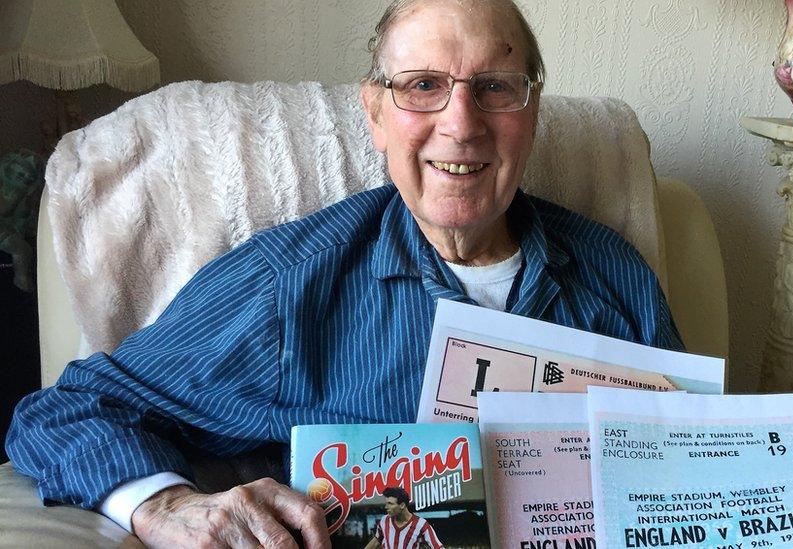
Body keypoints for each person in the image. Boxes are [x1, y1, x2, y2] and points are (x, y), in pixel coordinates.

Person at [5, 0, 683, 547]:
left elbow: (700, 462)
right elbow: (67, 409)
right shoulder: (290, 285)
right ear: (376, 113)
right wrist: (168, 503)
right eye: (423, 86)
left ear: (530, 110)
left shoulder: (613, 273)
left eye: (495, 88)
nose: (461, 124)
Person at [365, 487, 442, 549]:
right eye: (386, 503)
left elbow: (437, 546)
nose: (386, 507)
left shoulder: (421, 524)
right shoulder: (384, 520)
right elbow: (376, 540)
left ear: (402, 505)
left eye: (390, 504)